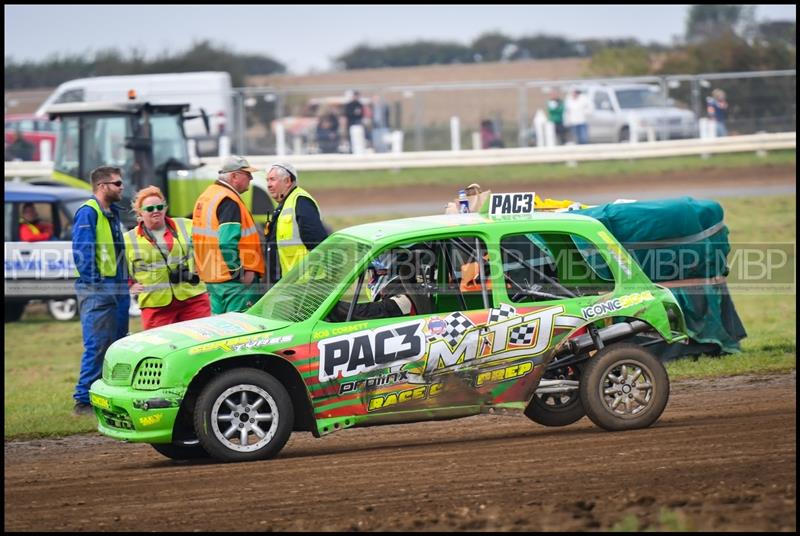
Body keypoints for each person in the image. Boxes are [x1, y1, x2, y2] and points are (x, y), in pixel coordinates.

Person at [71, 166, 130, 416]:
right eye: (117, 183)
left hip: (117, 288)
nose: (121, 187)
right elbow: (82, 252)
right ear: (102, 186)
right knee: (96, 345)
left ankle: (106, 397)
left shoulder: (112, 213)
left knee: (116, 344)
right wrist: (97, 284)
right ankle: (83, 400)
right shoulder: (88, 212)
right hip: (99, 289)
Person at [125, 186, 211, 329]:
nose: (156, 211)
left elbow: (209, 247)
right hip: (156, 305)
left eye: (159, 206)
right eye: (150, 209)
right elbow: (116, 264)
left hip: (193, 299)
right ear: (140, 213)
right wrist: (129, 284)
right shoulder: (129, 239)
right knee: (159, 348)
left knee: (200, 345)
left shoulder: (186, 225)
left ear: (165, 208)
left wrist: (203, 269)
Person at [192, 155, 265, 314]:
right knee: (242, 332)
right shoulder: (229, 201)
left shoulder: (207, 196)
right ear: (234, 176)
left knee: (220, 331)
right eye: (247, 174)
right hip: (234, 283)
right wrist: (239, 272)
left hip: (213, 279)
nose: (251, 178)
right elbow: (226, 243)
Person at [264, 162, 328, 286]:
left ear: (287, 181)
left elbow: (317, 241)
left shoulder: (301, 201)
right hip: (292, 282)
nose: (268, 185)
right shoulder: (286, 204)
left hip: (306, 283)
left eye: (272, 180)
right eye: (267, 180)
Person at [328, 249, 432, 321]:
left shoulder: (406, 298)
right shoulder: (397, 290)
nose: (370, 279)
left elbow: (364, 313)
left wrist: (330, 308)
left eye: (374, 273)